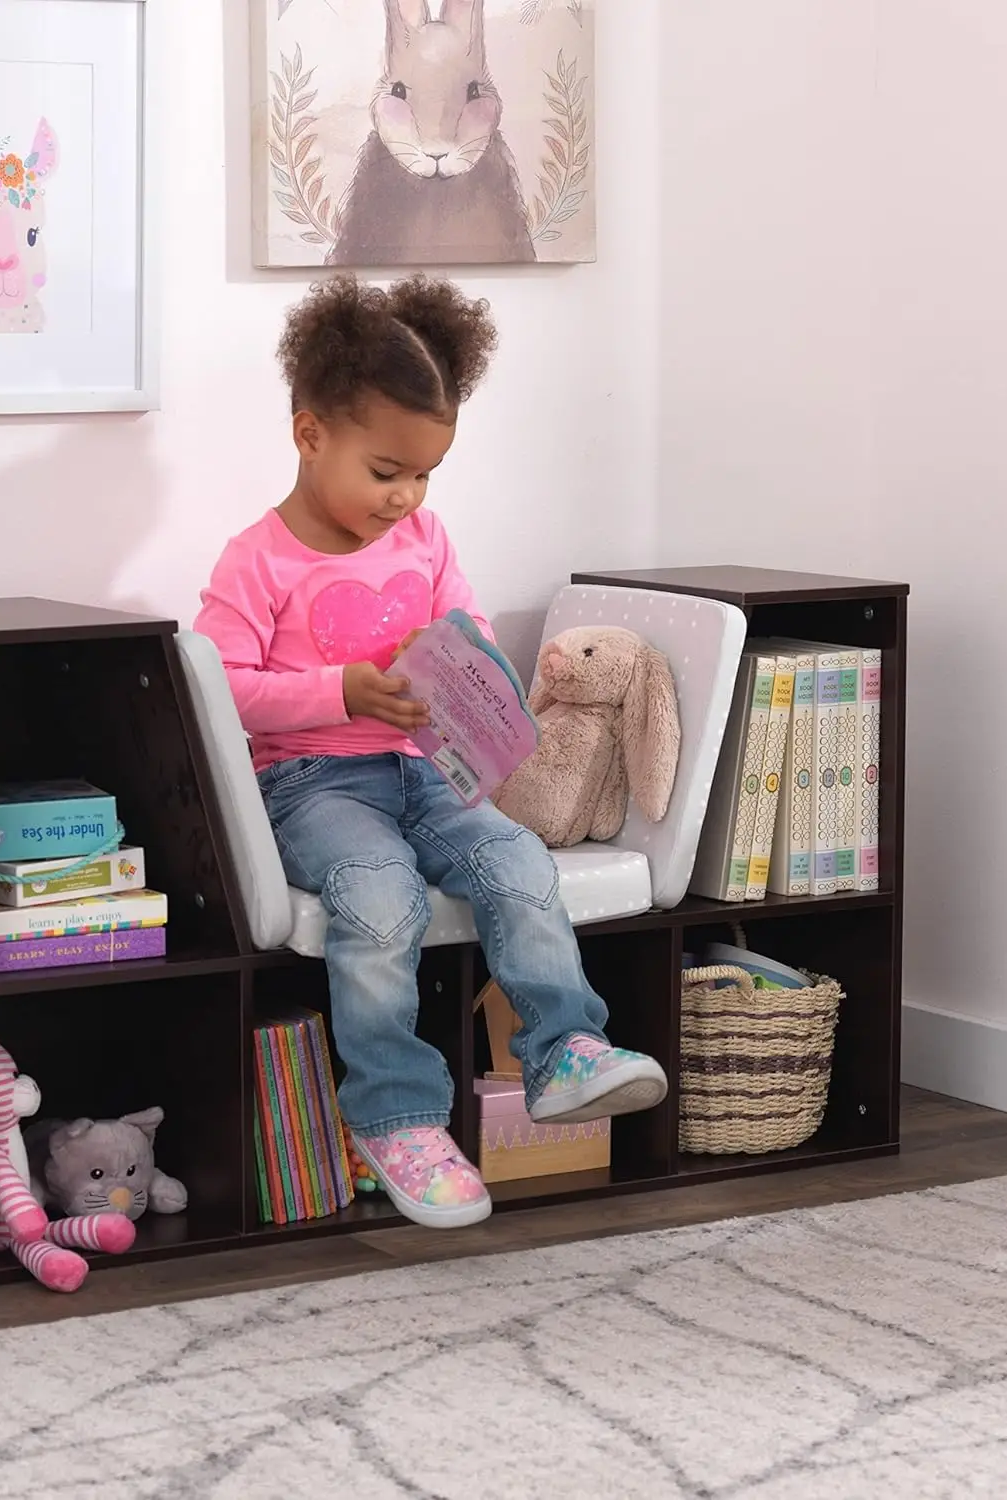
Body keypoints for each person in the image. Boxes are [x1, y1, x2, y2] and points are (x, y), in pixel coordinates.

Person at [194, 273, 667, 1229]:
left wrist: (471, 675)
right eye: (385, 471)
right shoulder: (258, 559)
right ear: (310, 433)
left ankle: (563, 1051)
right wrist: (340, 690)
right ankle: (396, 1115)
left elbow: (467, 624)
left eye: (424, 474)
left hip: (425, 770)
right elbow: (222, 682)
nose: (405, 495)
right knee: (377, 895)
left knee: (516, 860)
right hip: (313, 784)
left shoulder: (426, 535)